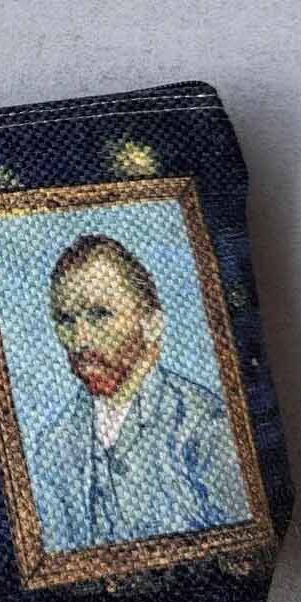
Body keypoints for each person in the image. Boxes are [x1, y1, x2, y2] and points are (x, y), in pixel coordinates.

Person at [28, 234, 252, 552]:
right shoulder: (53, 447)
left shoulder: (205, 425)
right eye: (66, 320)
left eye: (99, 314)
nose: (79, 340)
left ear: (152, 324)